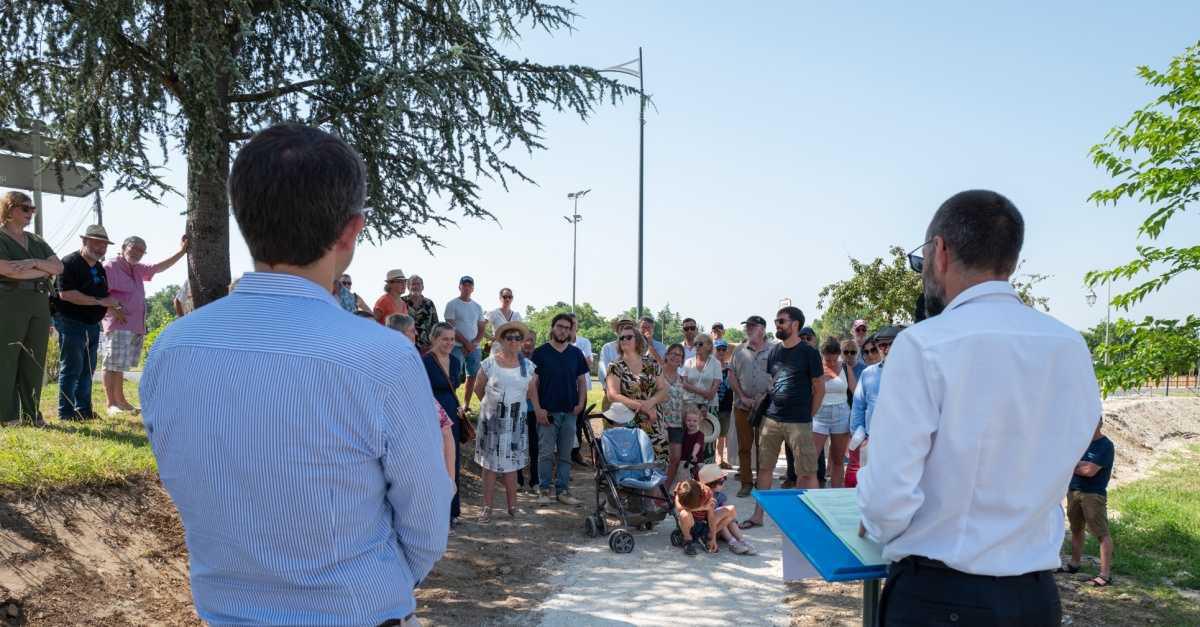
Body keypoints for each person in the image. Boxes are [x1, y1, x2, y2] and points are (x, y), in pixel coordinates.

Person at [140, 123, 452, 626]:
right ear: (351, 230)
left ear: (243, 218)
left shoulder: (173, 348)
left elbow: (185, 478)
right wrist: (382, 584)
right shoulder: (381, 356)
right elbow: (426, 515)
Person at [857, 190, 1101, 625]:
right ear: (1011, 260)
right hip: (1035, 597)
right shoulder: (1070, 346)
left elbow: (888, 497)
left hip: (940, 594)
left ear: (940, 251)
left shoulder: (924, 344)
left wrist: (879, 527)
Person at [740, 306, 824, 530]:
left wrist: (808, 415)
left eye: (782, 321)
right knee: (765, 468)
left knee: (807, 471)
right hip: (772, 419)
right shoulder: (775, 352)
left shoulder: (809, 353)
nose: (777, 325)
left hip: (799, 422)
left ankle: (813, 519)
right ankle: (758, 516)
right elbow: (773, 382)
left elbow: (819, 389)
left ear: (795, 324)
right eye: (776, 321)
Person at [101, 234, 188, 414]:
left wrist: (181, 252)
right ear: (124, 247)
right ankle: (111, 404)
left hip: (134, 324)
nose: (137, 253)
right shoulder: (111, 266)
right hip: (118, 324)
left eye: (141, 250)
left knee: (121, 365)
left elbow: (159, 267)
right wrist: (113, 310)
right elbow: (100, 293)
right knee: (111, 364)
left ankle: (121, 401)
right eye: (134, 248)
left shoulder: (138, 269)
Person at [0, 191, 62, 427]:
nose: (30, 214)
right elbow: (5, 268)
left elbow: (58, 267)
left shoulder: (36, 240)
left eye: (32, 209)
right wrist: (43, 270)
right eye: (26, 209)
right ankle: (6, 415)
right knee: (6, 357)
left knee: (34, 358)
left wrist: (34, 263)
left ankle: (31, 413)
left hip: (39, 300)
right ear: (10, 208)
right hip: (9, 299)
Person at [52, 225, 123, 422]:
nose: (101, 248)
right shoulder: (69, 262)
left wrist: (113, 307)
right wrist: (102, 302)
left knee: (87, 369)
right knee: (72, 367)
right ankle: (66, 413)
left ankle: (83, 410)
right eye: (96, 243)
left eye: (104, 245)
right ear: (84, 241)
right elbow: (66, 294)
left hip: (92, 324)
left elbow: (102, 294)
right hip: (71, 322)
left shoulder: (99, 268)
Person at [473, 319, 537, 523]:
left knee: (512, 465)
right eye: (509, 337)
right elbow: (478, 387)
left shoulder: (528, 366)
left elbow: (531, 391)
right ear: (501, 340)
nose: (514, 341)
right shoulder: (489, 363)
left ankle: (513, 507)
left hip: (515, 421)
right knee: (489, 466)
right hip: (492, 422)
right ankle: (487, 508)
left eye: (518, 337)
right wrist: (492, 407)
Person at [530, 313, 589, 506]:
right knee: (545, 453)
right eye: (560, 326)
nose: (563, 330)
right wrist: (537, 408)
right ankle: (544, 489)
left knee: (565, 455)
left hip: (570, 412)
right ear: (553, 327)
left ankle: (563, 490)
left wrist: (580, 404)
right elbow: (533, 383)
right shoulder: (540, 353)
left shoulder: (576, 354)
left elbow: (581, 381)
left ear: (571, 331)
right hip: (547, 412)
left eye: (567, 327)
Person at [605, 324, 669, 462]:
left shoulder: (652, 363)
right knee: (633, 463)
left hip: (654, 421)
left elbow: (663, 390)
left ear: (638, 340)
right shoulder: (615, 366)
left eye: (628, 337)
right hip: (627, 421)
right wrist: (640, 406)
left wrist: (649, 403)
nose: (624, 340)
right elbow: (612, 395)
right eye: (621, 338)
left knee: (658, 461)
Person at [845, 326, 900, 487]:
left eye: (891, 344)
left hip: (902, 443)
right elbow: (858, 407)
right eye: (881, 345)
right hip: (871, 441)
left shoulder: (914, 372)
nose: (886, 349)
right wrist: (859, 436)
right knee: (868, 488)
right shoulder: (868, 373)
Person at [1064, 416, 1115, 587]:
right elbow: (1065, 463)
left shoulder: (1105, 446)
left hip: (1093, 494)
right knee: (1076, 529)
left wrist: (1075, 465)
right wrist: (1079, 464)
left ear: (1100, 424)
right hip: (1074, 491)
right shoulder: (1079, 442)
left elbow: (1089, 471)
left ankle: (1105, 575)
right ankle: (1074, 564)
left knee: (1101, 533)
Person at [425, 322, 465, 527]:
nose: (449, 343)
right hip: (431, 416)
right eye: (445, 339)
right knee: (435, 463)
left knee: (452, 461)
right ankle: (437, 512)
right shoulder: (425, 362)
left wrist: (460, 406)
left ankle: (452, 510)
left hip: (452, 416)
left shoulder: (456, 361)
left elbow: (454, 388)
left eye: (452, 339)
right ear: (434, 339)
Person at [728, 315, 773, 498]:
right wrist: (742, 396)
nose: (748, 329)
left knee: (764, 447)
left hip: (767, 407)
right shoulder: (739, 351)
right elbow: (731, 376)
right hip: (742, 406)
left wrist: (765, 395)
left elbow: (779, 375)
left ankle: (762, 484)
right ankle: (746, 483)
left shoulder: (774, 350)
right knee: (744, 446)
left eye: (752, 326)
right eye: (747, 326)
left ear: (762, 329)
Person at [813, 337, 852, 488]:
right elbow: (808, 392)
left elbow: (856, 391)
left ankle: (835, 496)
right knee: (811, 460)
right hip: (819, 414)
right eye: (828, 360)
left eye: (834, 360)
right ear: (822, 355)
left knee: (838, 460)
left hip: (842, 414)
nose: (831, 363)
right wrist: (820, 379)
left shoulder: (845, 367)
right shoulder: (815, 367)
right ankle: (811, 494)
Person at [445, 276, 485, 410]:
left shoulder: (477, 306)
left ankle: (466, 404)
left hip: (475, 348)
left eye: (469, 285)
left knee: (472, 376)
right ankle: (453, 405)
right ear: (459, 287)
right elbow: (451, 327)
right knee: (453, 376)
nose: (467, 287)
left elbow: (481, 328)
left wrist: (473, 344)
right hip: (456, 346)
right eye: (464, 285)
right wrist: (465, 343)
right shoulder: (452, 304)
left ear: (473, 288)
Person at [697, 463, 755, 555]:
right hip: (707, 528)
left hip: (717, 527)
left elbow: (727, 512)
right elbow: (707, 518)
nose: (723, 484)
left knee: (729, 518)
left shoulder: (720, 496)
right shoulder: (703, 497)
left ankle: (742, 540)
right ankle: (732, 542)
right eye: (721, 482)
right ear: (711, 484)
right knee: (723, 518)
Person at [673, 479, 734, 557]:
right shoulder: (681, 488)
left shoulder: (707, 492)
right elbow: (679, 508)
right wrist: (702, 507)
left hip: (703, 522)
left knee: (731, 510)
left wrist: (713, 538)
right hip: (689, 523)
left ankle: (706, 537)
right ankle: (687, 540)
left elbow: (711, 517)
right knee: (684, 514)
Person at [660, 344, 687, 485]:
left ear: (682, 360)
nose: (675, 357)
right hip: (659, 423)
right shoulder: (657, 374)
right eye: (673, 353)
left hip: (676, 423)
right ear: (666, 355)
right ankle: (656, 492)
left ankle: (665, 490)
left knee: (676, 458)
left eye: (679, 355)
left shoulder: (682, 380)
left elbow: (684, 402)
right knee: (660, 459)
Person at [569, 319, 594, 466]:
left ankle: (575, 453)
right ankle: (563, 454)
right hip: (566, 388)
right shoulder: (559, 342)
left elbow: (588, 363)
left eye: (574, 323)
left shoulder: (584, 342)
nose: (572, 326)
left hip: (581, 388)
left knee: (578, 421)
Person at [402, 274, 438, 353]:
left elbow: (435, 325)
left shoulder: (429, 303)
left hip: (426, 347)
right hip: (406, 345)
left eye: (418, 284)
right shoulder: (402, 302)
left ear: (422, 287)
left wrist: (432, 345)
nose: (416, 286)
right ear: (408, 287)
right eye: (413, 284)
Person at [714, 339, 735, 469]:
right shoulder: (710, 366)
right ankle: (713, 459)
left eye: (723, 349)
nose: (721, 352)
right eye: (718, 349)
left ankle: (721, 459)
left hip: (726, 407)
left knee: (722, 435)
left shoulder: (730, 368)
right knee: (711, 434)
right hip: (712, 406)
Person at [679, 407, 706, 480]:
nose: (691, 423)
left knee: (698, 482)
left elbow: (697, 444)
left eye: (695, 421)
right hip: (685, 462)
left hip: (697, 462)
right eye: (689, 420)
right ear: (685, 421)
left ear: (699, 421)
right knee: (685, 481)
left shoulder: (700, 434)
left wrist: (693, 454)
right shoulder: (683, 433)